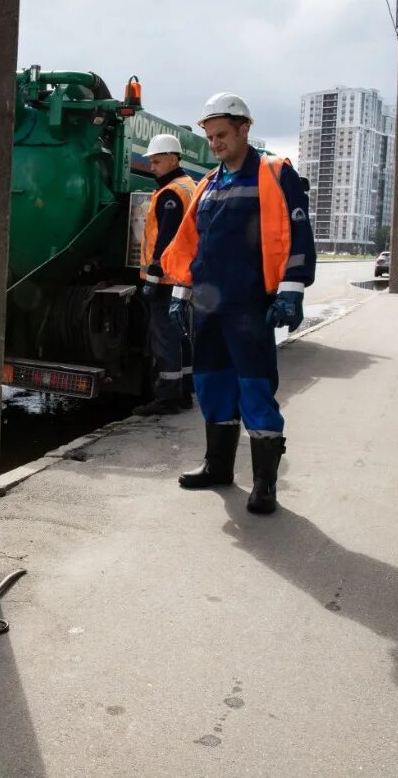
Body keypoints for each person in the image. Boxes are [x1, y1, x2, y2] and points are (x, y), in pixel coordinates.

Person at [162, 93, 316, 515]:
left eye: (222, 135)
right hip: (209, 307)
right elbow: (192, 244)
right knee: (212, 384)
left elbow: (298, 236)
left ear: (245, 129)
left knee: (255, 389)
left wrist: (292, 289)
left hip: (249, 306)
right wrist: (181, 292)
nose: (215, 143)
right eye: (210, 136)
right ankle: (218, 466)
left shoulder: (273, 173)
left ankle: (265, 483)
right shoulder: (209, 184)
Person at [134, 133, 197, 416]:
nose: (152, 166)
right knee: (181, 334)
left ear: (173, 158)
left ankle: (168, 398)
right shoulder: (188, 186)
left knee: (164, 338)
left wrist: (154, 277)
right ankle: (184, 392)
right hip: (182, 278)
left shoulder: (171, 193)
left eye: (157, 161)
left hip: (166, 280)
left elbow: (166, 240)